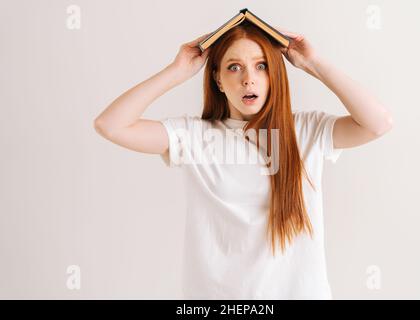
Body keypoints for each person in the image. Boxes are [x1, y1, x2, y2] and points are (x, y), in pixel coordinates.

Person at [93, 20, 393, 299]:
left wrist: (313, 63)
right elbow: (110, 125)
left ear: (274, 75)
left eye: (261, 66)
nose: (249, 79)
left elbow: (377, 123)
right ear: (218, 80)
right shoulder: (194, 136)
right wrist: (177, 71)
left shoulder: (305, 131)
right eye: (234, 67)